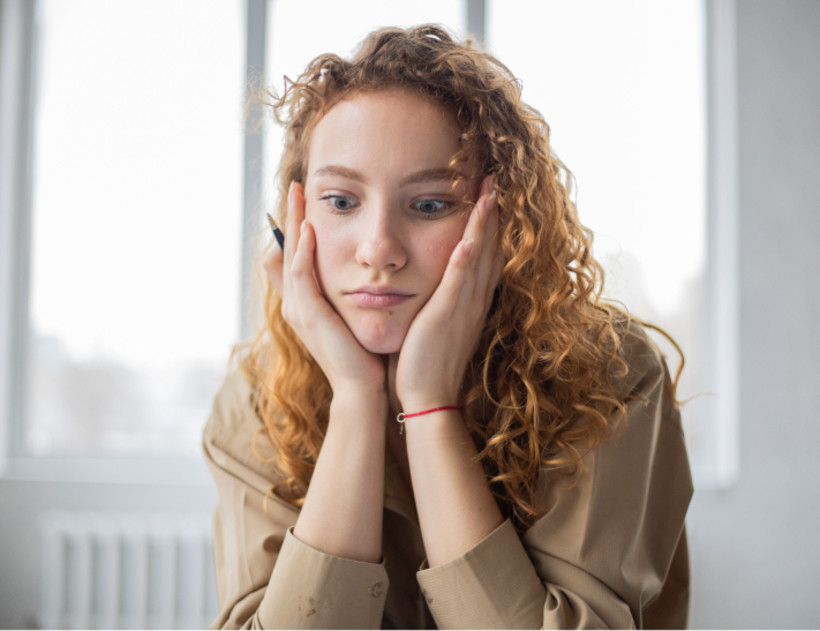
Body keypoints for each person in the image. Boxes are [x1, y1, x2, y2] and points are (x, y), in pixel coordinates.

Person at [203, 24, 692, 630]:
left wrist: (430, 408)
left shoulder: (608, 377)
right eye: (341, 202)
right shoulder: (255, 398)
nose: (378, 249)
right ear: (296, 219)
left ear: (501, 224)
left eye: (430, 204)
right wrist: (358, 399)